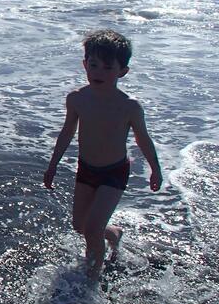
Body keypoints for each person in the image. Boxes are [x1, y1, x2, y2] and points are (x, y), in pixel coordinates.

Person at [44, 29, 163, 278]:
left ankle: (91, 281)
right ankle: (114, 233)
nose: (98, 72)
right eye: (94, 65)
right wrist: (53, 165)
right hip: (86, 169)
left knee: (92, 228)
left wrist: (155, 168)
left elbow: (143, 138)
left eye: (107, 68)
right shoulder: (77, 99)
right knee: (81, 226)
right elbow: (67, 132)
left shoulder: (129, 105)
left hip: (114, 172)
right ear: (84, 64)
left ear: (123, 71)